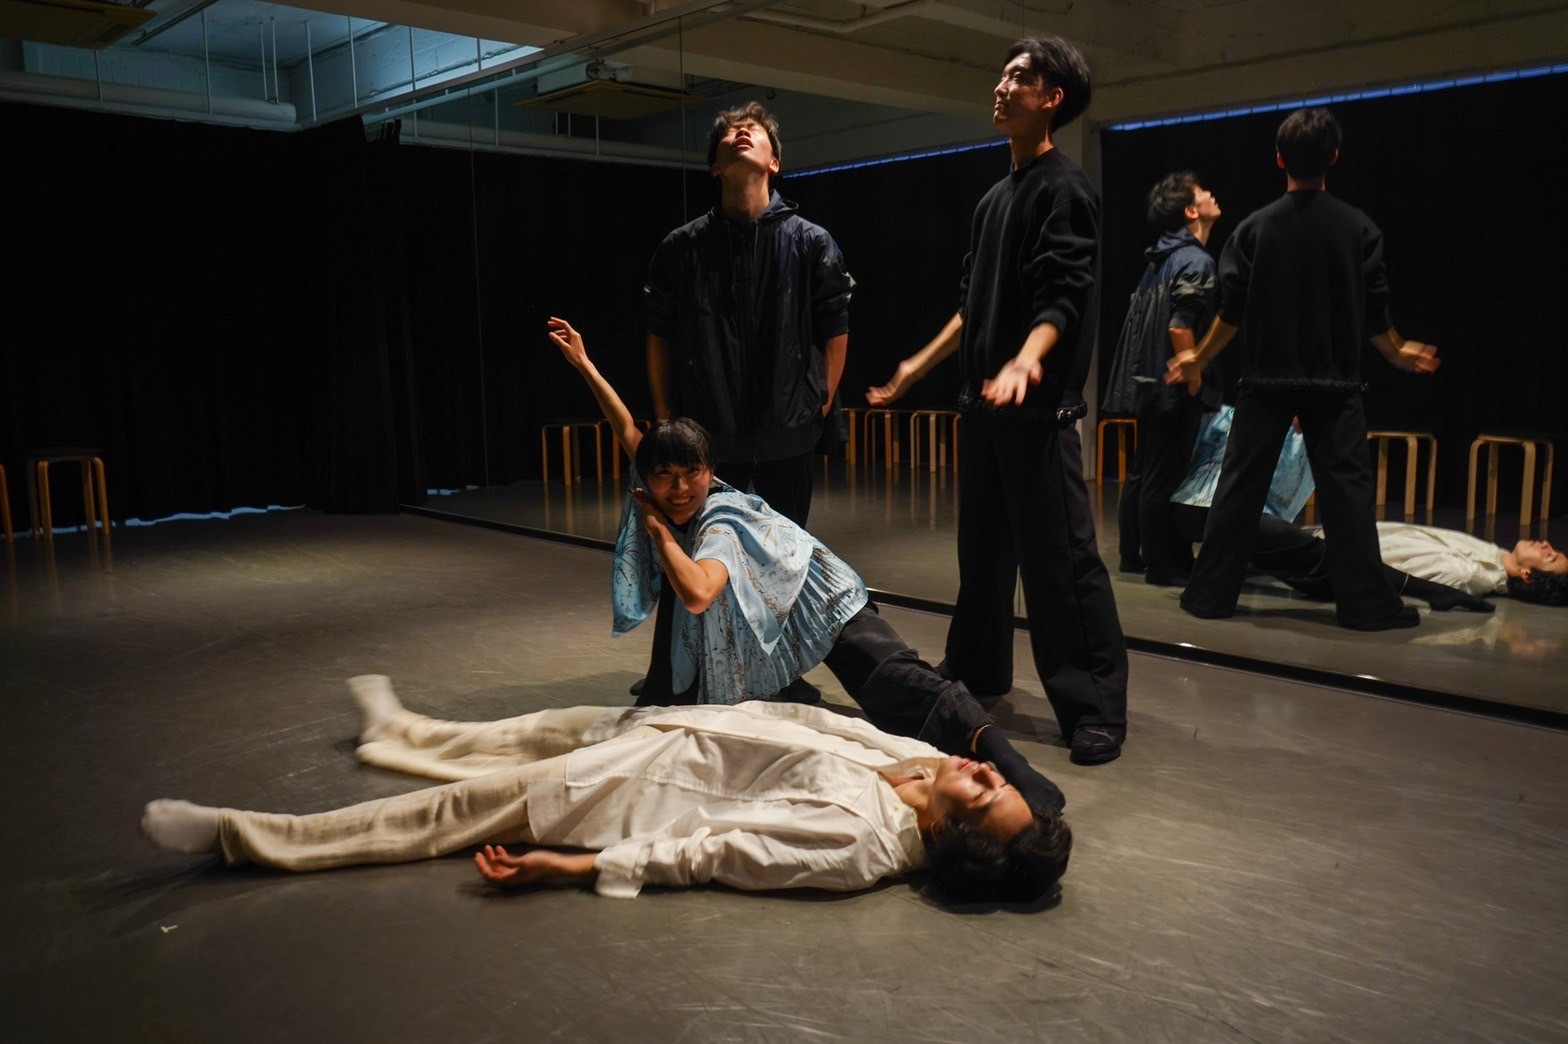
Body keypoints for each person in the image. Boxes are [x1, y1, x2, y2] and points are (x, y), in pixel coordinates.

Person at [548, 316, 1067, 823]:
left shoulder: (720, 522)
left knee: (898, 685)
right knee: (680, 710)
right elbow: (625, 427)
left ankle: (1009, 762)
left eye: (693, 474)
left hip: (822, 602)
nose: (681, 488)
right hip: (777, 607)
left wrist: (658, 531)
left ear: (710, 471)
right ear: (648, 476)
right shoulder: (663, 481)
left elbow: (700, 593)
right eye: (666, 476)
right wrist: (584, 364)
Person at [141, 676, 1071, 905]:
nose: (986, 771)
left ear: (951, 837)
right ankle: (400, 731)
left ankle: (245, 837)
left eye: (986, 793)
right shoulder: (921, 765)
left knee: (449, 815)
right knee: (515, 731)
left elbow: (712, 852)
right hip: (675, 726)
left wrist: (578, 866)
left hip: (629, 791)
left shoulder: (857, 844)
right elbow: (821, 725)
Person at [865, 37, 1128, 765]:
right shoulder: (992, 201)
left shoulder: (1066, 189)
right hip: (982, 409)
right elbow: (970, 306)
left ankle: (1094, 705)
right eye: (1003, 75)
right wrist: (915, 368)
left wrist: (1026, 359)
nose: (1003, 86)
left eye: (1021, 78)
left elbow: (1064, 296)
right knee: (981, 559)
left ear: (1052, 99)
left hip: (1037, 414)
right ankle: (978, 669)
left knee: (1061, 565)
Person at [1166, 107, 1441, 630]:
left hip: (1264, 379)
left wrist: (1198, 356)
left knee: (1239, 487)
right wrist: (1399, 352)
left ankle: (1209, 596)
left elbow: (1231, 312)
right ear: (1333, 157)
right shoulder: (1358, 228)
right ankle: (1368, 605)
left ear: (1279, 159)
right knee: (1347, 494)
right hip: (1334, 382)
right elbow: (1375, 313)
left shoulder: (1253, 229)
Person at [640, 102, 854, 703]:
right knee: (692, 552)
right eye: (730, 133)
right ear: (715, 166)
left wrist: (818, 399)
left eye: (753, 130)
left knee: (782, 559)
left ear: (774, 160)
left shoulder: (811, 242)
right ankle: (676, 678)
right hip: (706, 436)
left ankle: (779, 675)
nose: (741, 133)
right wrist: (665, 417)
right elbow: (658, 334)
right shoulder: (682, 247)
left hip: (788, 428)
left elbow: (835, 329)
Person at [1166, 407, 1498, 613]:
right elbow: (1184, 458)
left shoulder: (1320, 438)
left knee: (1313, 564)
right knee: (1318, 556)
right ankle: (1427, 591)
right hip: (1200, 508)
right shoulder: (1243, 416)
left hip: (1252, 523)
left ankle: (1415, 592)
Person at [1101, 172, 1224, 585]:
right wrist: (1192, 372)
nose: (1211, 195)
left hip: (1151, 381)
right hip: (1173, 382)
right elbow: (1179, 324)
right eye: (1203, 193)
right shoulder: (1195, 260)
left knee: (1144, 471)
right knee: (1165, 476)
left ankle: (1132, 553)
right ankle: (1162, 564)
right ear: (1191, 211)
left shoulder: (1160, 260)